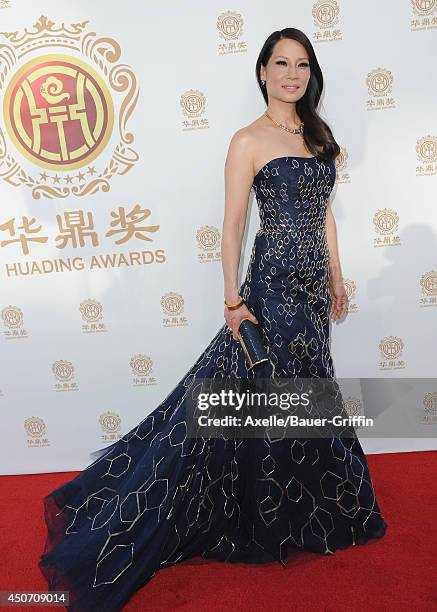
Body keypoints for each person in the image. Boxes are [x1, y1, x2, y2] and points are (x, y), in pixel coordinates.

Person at [38, 28, 387, 611]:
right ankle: (248, 512)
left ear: (310, 74)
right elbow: (232, 225)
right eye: (281, 64)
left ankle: (305, 507)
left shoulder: (320, 136)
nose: (292, 75)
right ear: (262, 73)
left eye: (302, 65)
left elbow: (324, 214)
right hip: (271, 293)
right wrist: (232, 301)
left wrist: (336, 276)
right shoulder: (246, 140)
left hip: (310, 295)